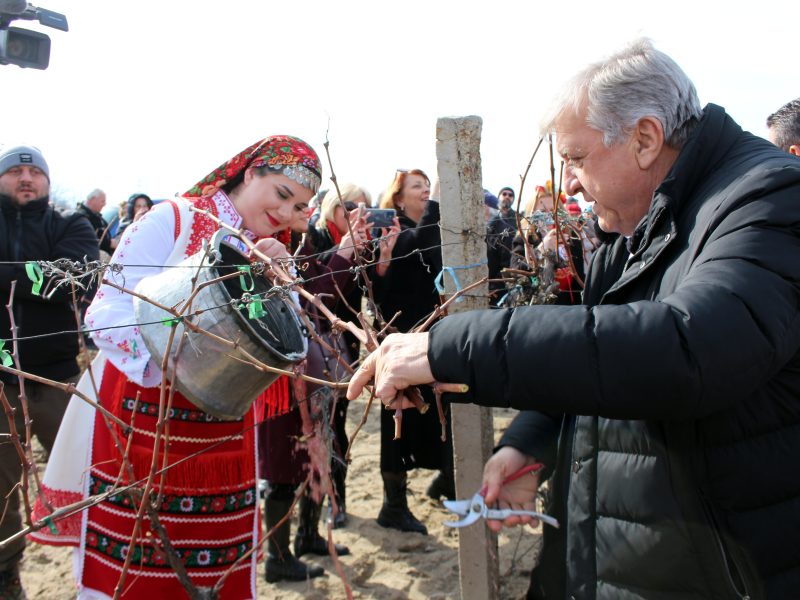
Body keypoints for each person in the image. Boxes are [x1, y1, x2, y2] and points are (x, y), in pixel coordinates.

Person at [348, 38, 800, 599]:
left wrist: (446, 346)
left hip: (719, 569)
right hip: (621, 554)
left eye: (578, 159)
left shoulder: (768, 200)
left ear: (644, 139)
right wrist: (530, 442)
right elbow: (597, 346)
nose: (575, 182)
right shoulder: (642, 220)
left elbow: (687, 349)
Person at [29, 135, 323, 599]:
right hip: (142, 419)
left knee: (215, 568)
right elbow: (105, 314)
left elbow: (277, 350)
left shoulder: (265, 250)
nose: (287, 213)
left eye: (300, 206)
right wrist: (177, 355)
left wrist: (279, 284)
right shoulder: (175, 218)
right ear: (249, 174)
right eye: (282, 194)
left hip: (224, 431)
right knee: (133, 568)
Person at [0, 145, 100, 599]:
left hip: (59, 378)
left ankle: (106, 560)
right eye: (16, 171)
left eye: (33, 171)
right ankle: (7, 575)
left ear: (46, 180)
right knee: (0, 492)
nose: (26, 178)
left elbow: (77, 278)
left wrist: (9, 275)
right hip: (0, 382)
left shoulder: (70, 223)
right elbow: (51, 279)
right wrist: (36, 276)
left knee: (93, 475)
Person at [259, 193, 369, 583]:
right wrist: (342, 254)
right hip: (279, 377)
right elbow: (305, 300)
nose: (306, 210)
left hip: (311, 375)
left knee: (317, 457)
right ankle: (277, 557)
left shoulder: (300, 245)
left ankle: (307, 537)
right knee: (284, 468)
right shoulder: (263, 245)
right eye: (297, 203)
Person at [370, 168, 453, 535]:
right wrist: (436, 202)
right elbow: (420, 247)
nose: (424, 192)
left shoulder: (429, 231)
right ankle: (393, 506)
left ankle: (445, 482)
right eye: (417, 187)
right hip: (401, 342)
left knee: (438, 412)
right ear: (399, 199)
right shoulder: (394, 234)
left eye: (426, 186)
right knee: (398, 424)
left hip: (428, 339)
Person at [305, 183, 373, 528]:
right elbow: (319, 301)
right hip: (311, 354)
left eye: (366, 207)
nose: (358, 213)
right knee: (312, 431)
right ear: (331, 207)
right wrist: (343, 253)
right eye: (349, 205)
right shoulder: (312, 239)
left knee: (337, 429)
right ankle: (311, 512)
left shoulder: (364, 244)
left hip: (344, 352)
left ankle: (337, 502)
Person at [76, 188, 115, 255]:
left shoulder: (96, 216)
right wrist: (109, 243)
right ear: (93, 199)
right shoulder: (81, 217)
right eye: (103, 201)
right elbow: (86, 239)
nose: (104, 204)